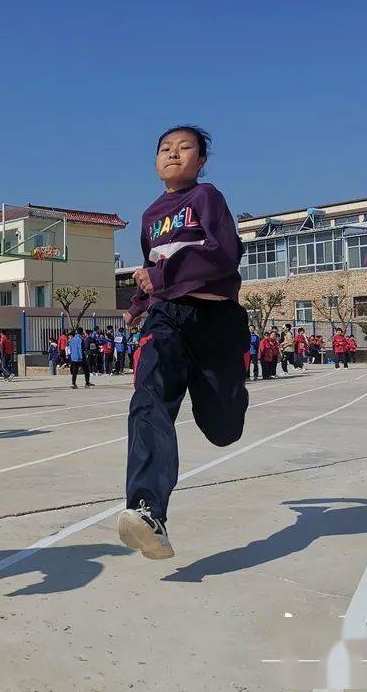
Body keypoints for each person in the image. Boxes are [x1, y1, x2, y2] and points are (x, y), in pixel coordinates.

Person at [117, 125, 249, 560]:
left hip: (214, 320)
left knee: (223, 428)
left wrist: (161, 277)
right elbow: (151, 265)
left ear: (202, 161)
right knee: (148, 398)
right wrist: (138, 303)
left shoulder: (206, 198)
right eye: (164, 149)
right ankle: (148, 510)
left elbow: (222, 254)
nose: (173, 154)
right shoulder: (151, 214)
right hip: (167, 318)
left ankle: (228, 397)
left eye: (184, 147)